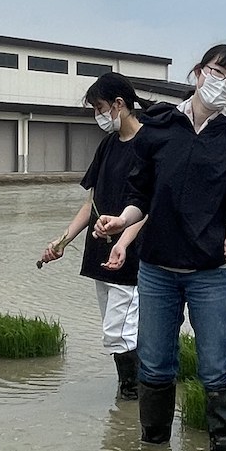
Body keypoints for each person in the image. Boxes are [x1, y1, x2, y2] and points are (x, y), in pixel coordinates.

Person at [95, 44, 226, 451]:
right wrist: (122, 221)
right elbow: (140, 194)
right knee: (153, 362)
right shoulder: (158, 128)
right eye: (217, 73)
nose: (221, 84)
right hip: (157, 269)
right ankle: (154, 450)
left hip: (212, 272)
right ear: (199, 71)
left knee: (217, 365)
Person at [41, 72, 146, 400]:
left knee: (121, 329)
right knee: (115, 328)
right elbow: (92, 202)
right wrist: (63, 240)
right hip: (101, 249)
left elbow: (153, 204)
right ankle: (130, 393)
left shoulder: (150, 143)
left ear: (119, 104)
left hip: (133, 252)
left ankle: (133, 396)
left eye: (99, 107)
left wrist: (125, 241)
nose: (97, 115)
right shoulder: (108, 146)